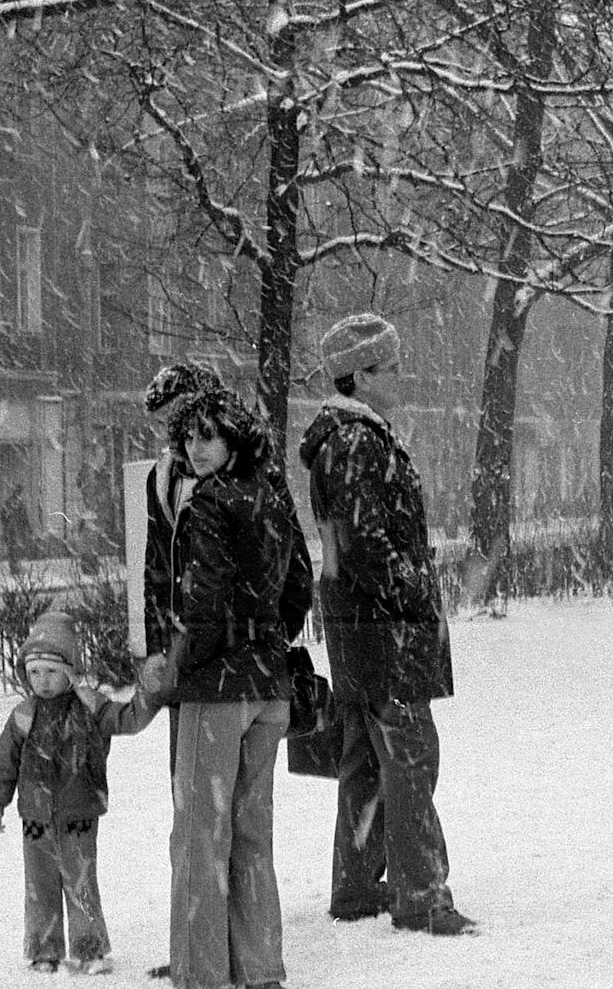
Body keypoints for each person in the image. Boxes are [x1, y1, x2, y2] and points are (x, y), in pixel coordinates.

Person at [297, 312, 475, 936]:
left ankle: (356, 885)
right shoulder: (358, 443)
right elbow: (366, 546)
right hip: (383, 630)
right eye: (392, 368)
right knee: (410, 757)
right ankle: (421, 895)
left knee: (366, 761)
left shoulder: (345, 441)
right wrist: (416, 593)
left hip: (358, 629)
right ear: (362, 376)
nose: (402, 377)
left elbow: (350, 546)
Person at [156, 388, 313, 989]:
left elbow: (203, 602)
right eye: (188, 436)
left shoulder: (208, 504)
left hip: (218, 690)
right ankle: (260, 967)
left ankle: (201, 974)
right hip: (270, 687)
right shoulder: (271, 495)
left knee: (200, 836)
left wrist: (181, 665)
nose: (195, 448)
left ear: (233, 440)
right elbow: (299, 585)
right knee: (252, 834)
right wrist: (265, 637)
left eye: (209, 435)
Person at [0, 611, 163, 975]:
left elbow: (129, 719)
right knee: (40, 886)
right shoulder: (23, 715)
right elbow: (5, 762)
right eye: (35, 672)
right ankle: (44, 950)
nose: (42, 680)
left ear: (69, 672)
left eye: (51, 671)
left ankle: (89, 949)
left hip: (79, 815)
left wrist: (151, 689)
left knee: (81, 884)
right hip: (35, 818)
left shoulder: (90, 707)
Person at [141, 361, 226, 775]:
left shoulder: (234, 476)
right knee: (187, 776)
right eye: (160, 424)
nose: (169, 433)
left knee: (230, 783)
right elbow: (156, 566)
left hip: (230, 650)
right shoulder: (162, 478)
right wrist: (157, 647)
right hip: (183, 647)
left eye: (172, 419)